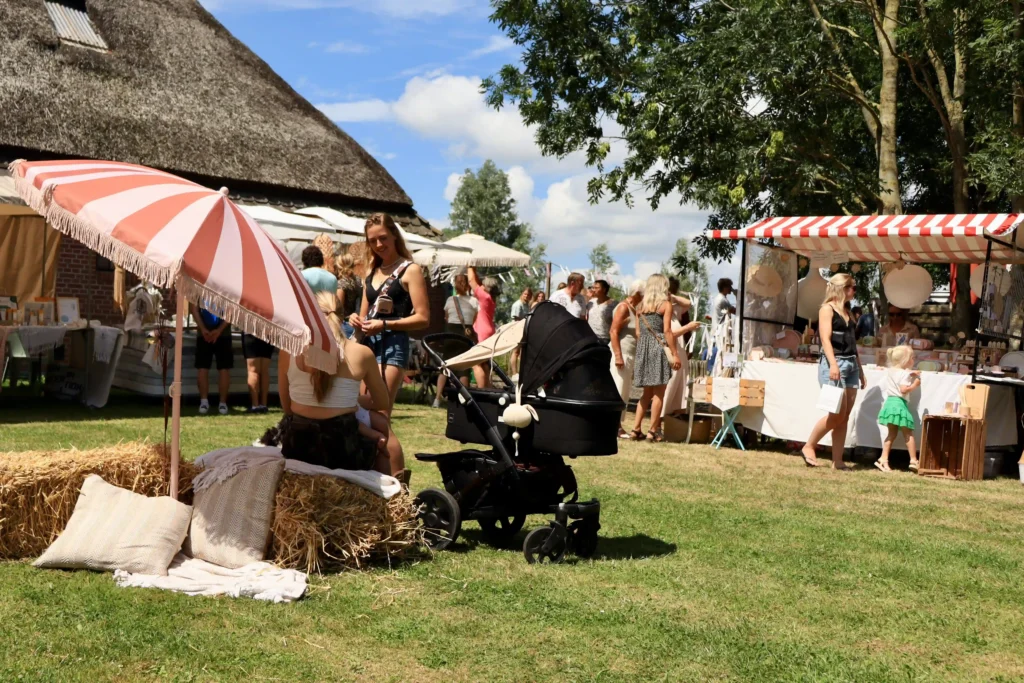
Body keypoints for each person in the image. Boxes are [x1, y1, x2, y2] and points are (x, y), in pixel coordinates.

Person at [278, 291, 395, 474]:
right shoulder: (361, 353)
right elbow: (382, 402)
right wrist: (351, 401)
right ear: (343, 318)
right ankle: (389, 497)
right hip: (345, 453)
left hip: (298, 449)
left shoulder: (289, 351)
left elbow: (287, 407)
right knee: (383, 438)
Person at [348, 213, 430, 413]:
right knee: (361, 412)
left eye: (383, 238)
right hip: (366, 346)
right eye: (372, 240)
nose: (378, 244)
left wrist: (385, 324)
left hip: (393, 345)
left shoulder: (411, 270)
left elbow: (423, 318)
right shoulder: (370, 272)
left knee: (380, 413)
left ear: (395, 235)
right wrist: (355, 319)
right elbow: (365, 316)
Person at [801, 273, 865, 470]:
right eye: (851, 287)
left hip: (851, 364)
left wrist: (860, 370)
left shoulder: (849, 311)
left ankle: (837, 460)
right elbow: (825, 339)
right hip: (834, 363)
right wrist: (833, 364)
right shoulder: (826, 309)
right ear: (841, 288)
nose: (854, 290)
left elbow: (853, 344)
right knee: (836, 414)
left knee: (844, 416)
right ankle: (809, 445)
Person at [628, 274, 681, 442]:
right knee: (659, 393)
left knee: (645, 394)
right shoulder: (665, 305)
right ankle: (652, 431)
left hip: (643, 349)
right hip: (659, 349)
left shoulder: (640, 306)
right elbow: (667, 331)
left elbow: (638, 333)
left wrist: (646, 345)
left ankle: (635, 430)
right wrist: (675, 353)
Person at [433, 273, 478, 408]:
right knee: (464, 368)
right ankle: (464, 399)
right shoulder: (474, 301)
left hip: (451, 333)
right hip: (466, 334)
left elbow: (446, 317)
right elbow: (474, 318)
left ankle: (437, 399)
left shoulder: (450, 300)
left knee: (445, 366)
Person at [875, 345, 921, 473]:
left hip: (890, 404)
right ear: (906, 360)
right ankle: (913, 460)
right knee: (908, 433)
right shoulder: (904, 374)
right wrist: (914, 385)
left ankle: (883, 459)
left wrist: (910, 373)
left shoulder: (891, 371)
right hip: (899, 404)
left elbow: (899, 375)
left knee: (891, 434)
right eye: (912, 357)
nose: (913, 359)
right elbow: (903, 390)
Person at [662, 279, 702, 418]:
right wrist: (688, 328)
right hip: (670, 347)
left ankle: (674, 412)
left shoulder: (674, 305)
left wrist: (672, 296)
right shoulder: (661, 308)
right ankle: (663, 413)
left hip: (679, 346)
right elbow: (668, 334)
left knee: (680, 380)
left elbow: (688, 303)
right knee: (671, 381)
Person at [609, 279, 644, 438]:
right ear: (638, 293)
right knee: (618, 389)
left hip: (630, 354)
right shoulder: (623, 307)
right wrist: (618, 356)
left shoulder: (634, 309)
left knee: (624, 391)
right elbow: (613, 332)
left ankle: (617, 424)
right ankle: (614, 426)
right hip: (622, 353)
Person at [191, 302, 232, 415]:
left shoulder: (198, 287)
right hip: (214, 333)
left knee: (218, 368)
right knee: (207, 368)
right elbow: (232, 312)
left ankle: (209, 402)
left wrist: (207, 330)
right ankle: (218, 403)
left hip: (219, 334)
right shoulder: (198, 288)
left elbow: (194, 310)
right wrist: (206, 330)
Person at [467, 266, 500, 389]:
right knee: (485, 364)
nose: (481, 285)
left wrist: (469, 265)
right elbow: (476, 282)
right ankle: (488, 389)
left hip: (481, 331)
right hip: (489, 330)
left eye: (483, 284)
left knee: (476, 364)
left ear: (487, 287)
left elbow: (471, 281)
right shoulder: (491, 298)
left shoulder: (484, 296)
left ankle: (482, 391)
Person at [242, 332, 273, 414]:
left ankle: (255, 406)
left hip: (251, 331)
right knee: (264, 371)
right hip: (269, 332)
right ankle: (264, 405)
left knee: (253, 371)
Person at [335, 253, 363, 337]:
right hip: (357, 322)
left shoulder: (341, 283)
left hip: (345, 324)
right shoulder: (359, 280)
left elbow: (339, 309)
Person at [509, 286, 533, 375]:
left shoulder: (527, 305)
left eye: (528, 295)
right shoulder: (518, 304)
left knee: (523, 353)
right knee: (515, 351)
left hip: (524, 330)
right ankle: (514, 373)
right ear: (522, 294)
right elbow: (516, 318)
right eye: (525, 294)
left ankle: (522, 372)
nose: (526, 296)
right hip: (517, 329)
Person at [587, 279, 617, 344]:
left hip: (605, 339)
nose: (593, 290)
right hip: (590, 337)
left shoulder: (614, 304)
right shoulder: (591, 302)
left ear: (604, 289)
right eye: (593, 287)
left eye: (596, 288)